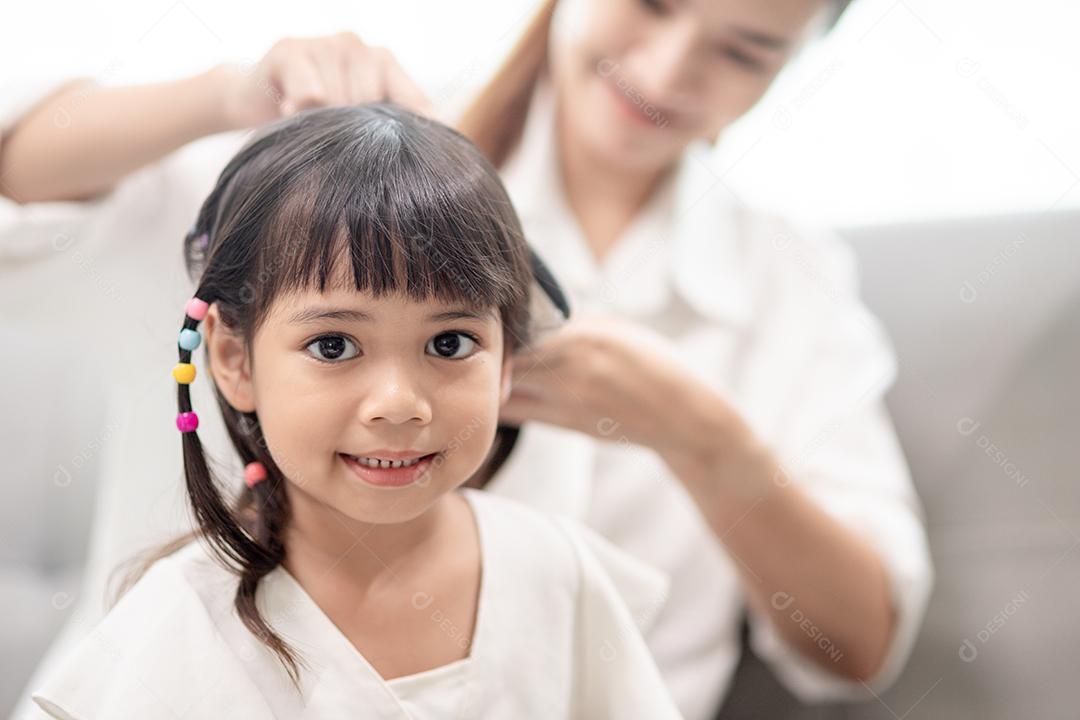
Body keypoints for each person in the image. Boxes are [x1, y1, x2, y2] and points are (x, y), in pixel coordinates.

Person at [3, 2, 933, 717]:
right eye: (650, 2)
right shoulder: (320, 182)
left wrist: (699, 436)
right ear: (231, 355)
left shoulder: (787, 286)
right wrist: (232, 93)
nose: (667, 68)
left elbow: (856, 647)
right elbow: (21, 186)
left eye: (746, 49)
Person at [29, 104, 680, 719]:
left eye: (449, 343)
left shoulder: (556, 571)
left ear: (507, 360)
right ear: (235, 359)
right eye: (333, 345)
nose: (398, 404)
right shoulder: (180, 624)